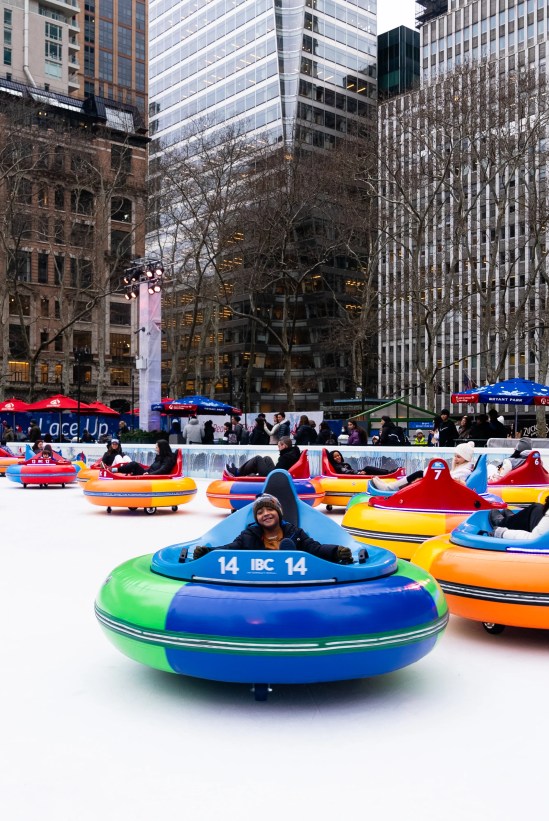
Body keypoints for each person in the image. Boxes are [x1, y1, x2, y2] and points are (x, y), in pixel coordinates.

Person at [192, 494, 354, 564]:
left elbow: (315, 549)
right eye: (260, 512)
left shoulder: (295, 533)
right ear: (256, 518)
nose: (266, 514)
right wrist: (207, 552)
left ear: (278, 512)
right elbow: (229, 549)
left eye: (270, 510)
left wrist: (336, 551)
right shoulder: (248, 536)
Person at [372, 440, 475, 490]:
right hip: (442, 487)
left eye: (458, 457)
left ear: (465, 458)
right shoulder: (462, 467)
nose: (455, 459)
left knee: (419, 474)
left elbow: (450, 480)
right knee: (419, 476)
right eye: (455, 456)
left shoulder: (464, 470)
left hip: (442, 489)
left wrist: (431, 473)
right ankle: (391, 487)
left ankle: (390, 488)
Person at [226, 436, 300, 477]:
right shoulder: (291, 453)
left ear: (284, 446)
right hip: (276, 473)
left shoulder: (286, 457)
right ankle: (240, 470)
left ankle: (237, 472)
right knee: (267, 458)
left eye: (279, 446)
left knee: (258, 458)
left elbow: (278, 471)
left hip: (273, 476)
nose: (278, 448)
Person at [328, 449, 394, 476]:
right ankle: (388, 473)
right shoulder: (338, 466)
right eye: (335, 457)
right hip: (354, 476)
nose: (338, 457)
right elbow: (346, 472)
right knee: (368, 468)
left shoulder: (343, 464)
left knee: (368, 469)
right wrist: (359, 473)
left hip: (355, 474)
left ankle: (387, 473)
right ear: (332, 459)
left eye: (338, 455)